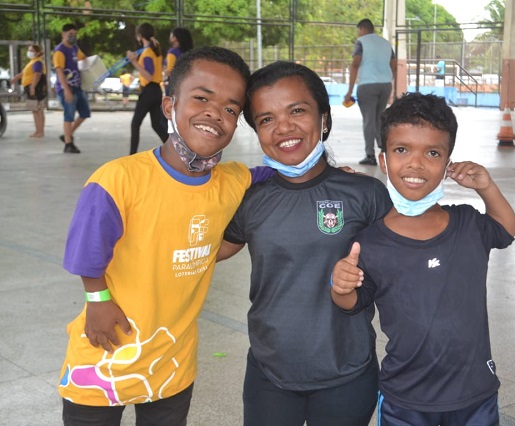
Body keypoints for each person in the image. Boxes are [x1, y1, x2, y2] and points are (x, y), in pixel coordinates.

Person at [58, 46, 268, 425]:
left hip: (172, 362)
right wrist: (97, 299)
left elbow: (274, 175)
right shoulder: (119, 179)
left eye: (230, 109)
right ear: (169, 105)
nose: (214, 113)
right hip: (105, 352)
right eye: (201, 98)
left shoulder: (233, 180)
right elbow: (86, 252)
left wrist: (332, 173)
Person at [218, 61, 393, 426]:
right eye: (266, 119)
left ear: (324, 119)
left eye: (297, 110)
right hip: (270, 373)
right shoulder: (249, 198)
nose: (283, 127)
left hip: (347, 372)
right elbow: (202, 253)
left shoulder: (364, 193)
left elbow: (404, 266)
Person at [331, 93, 515, 426]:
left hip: (474, 392)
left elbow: (505, 230)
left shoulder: (467, 223)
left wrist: (486, 188)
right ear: (384, 160)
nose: (416, 164)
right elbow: (351, 302)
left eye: (432, 153)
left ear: (447, 164)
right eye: (402, 150)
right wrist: (340, 284)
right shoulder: (369, 241)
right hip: (405, 396)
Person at [344, 18, 397, 166]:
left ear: (362, 29)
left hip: (368, 85)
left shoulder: (361, 42)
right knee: (379, 118)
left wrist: (349, 91)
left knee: (368, 119)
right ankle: (384, 150)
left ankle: (370, 155)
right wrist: (390, 81)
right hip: (385, 85)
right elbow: (394, 65)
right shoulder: (386, 43)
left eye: (358, 31)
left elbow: (355, 64)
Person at [127, 22, 168, 155]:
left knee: (135, 123)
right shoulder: (155, 50)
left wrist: (134, 62)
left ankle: (132, 155)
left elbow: (149, 76)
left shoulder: (147, 53)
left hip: (149, 90)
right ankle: (176, 150)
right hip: (156, 91)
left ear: (139, 36)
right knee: (156, 124)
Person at [53, 23, 89, 154]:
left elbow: (84, 58)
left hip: (77, 87)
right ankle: (68, 144)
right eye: (70, 34)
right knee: (69, 115)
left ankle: (67, 135)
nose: (73, 37)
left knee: (85, 113)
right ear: (63, 35)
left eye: (75, 34)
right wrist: (66, 90)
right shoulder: (60, 51)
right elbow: (59, 71)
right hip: (66, 88)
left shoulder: (75, 48)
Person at [10, 44, 47, 137]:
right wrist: (15, 78)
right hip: (34, 87)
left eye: (32, 51)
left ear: (37, 52)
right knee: (38, 110)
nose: (29, 52)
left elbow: (37, 75)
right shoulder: (33, 62)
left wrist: (32, 87)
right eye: (29, 50)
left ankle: (39, 131)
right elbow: (24, 73)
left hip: (35, 88)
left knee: (36, 110)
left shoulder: (37, 62)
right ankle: (39, 131)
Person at [164, 27, 193, 96]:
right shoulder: (190, 53)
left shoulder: (172, 52)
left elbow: (169, 71)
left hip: (174, 86)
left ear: (175, 38)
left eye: (171, 35)